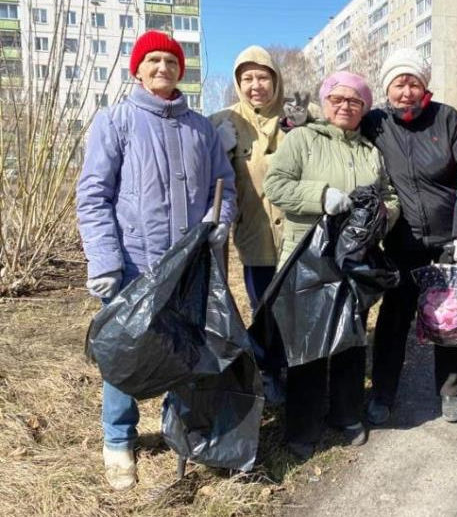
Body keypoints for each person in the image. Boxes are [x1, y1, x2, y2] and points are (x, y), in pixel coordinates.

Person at [76, 30, 236, 490]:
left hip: (187, 269)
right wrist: (104, 260)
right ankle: (118, 441)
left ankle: (178, 428)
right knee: (127, 356)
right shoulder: (116, 121)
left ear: (181, 70)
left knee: (184, 353)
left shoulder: (200, 128)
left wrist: (219, 220)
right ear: (138, 68)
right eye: (154, 61)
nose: (163, 68)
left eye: (171, 62)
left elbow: (222, 187)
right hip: (134, 264)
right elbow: (93, 197)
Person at [263, 71, 399, 459]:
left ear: (364, 109)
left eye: (354, 101)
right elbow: (276, 186)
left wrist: (379, 217)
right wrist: (321, 196)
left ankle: (346, 413)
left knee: (350, 337)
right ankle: (303, 426)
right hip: (307, 256)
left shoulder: (370, 150)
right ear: (324, 103)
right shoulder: (302, 140)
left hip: (354, 259)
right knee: (307, 344)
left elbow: (389, 196)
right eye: (337, 99)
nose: (345, 106)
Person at [360, 48, 457, 426]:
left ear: (425, 86)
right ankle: (383, 392)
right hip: (399, 243)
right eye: (398, 84)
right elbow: (335, 128)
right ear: (387, 88)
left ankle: (451, 392)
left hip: (446, 242)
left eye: (413, 83)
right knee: (393, 322)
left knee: (449, 318)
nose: (406, 92)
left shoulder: (448, 119)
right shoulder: (375, 123)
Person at [209, 46, 288, 404]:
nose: (256, 85)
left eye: (263, 77)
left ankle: (298, 372)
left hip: (295, 236)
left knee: (295, 307)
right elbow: (207, 176)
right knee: (264, 307)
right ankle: (268, 374)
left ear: (276, 79)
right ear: (239, 83)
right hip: (254, 234)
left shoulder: (296, 117)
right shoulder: (223, 121)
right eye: (248, 78)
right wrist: (217, 148)